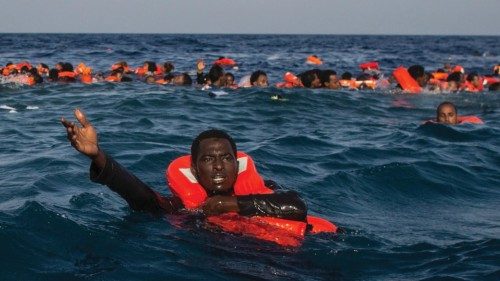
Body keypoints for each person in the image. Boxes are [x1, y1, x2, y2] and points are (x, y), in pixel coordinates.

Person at [61, 109, 307, 220]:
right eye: (208, 159)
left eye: (226, 158)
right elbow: (142, 198)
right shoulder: (184, 208)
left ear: (237, 163)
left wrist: (229, 204)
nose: (219, 166)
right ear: (194, 170)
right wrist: (98, 156)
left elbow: (296, 207)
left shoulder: (262, 191)